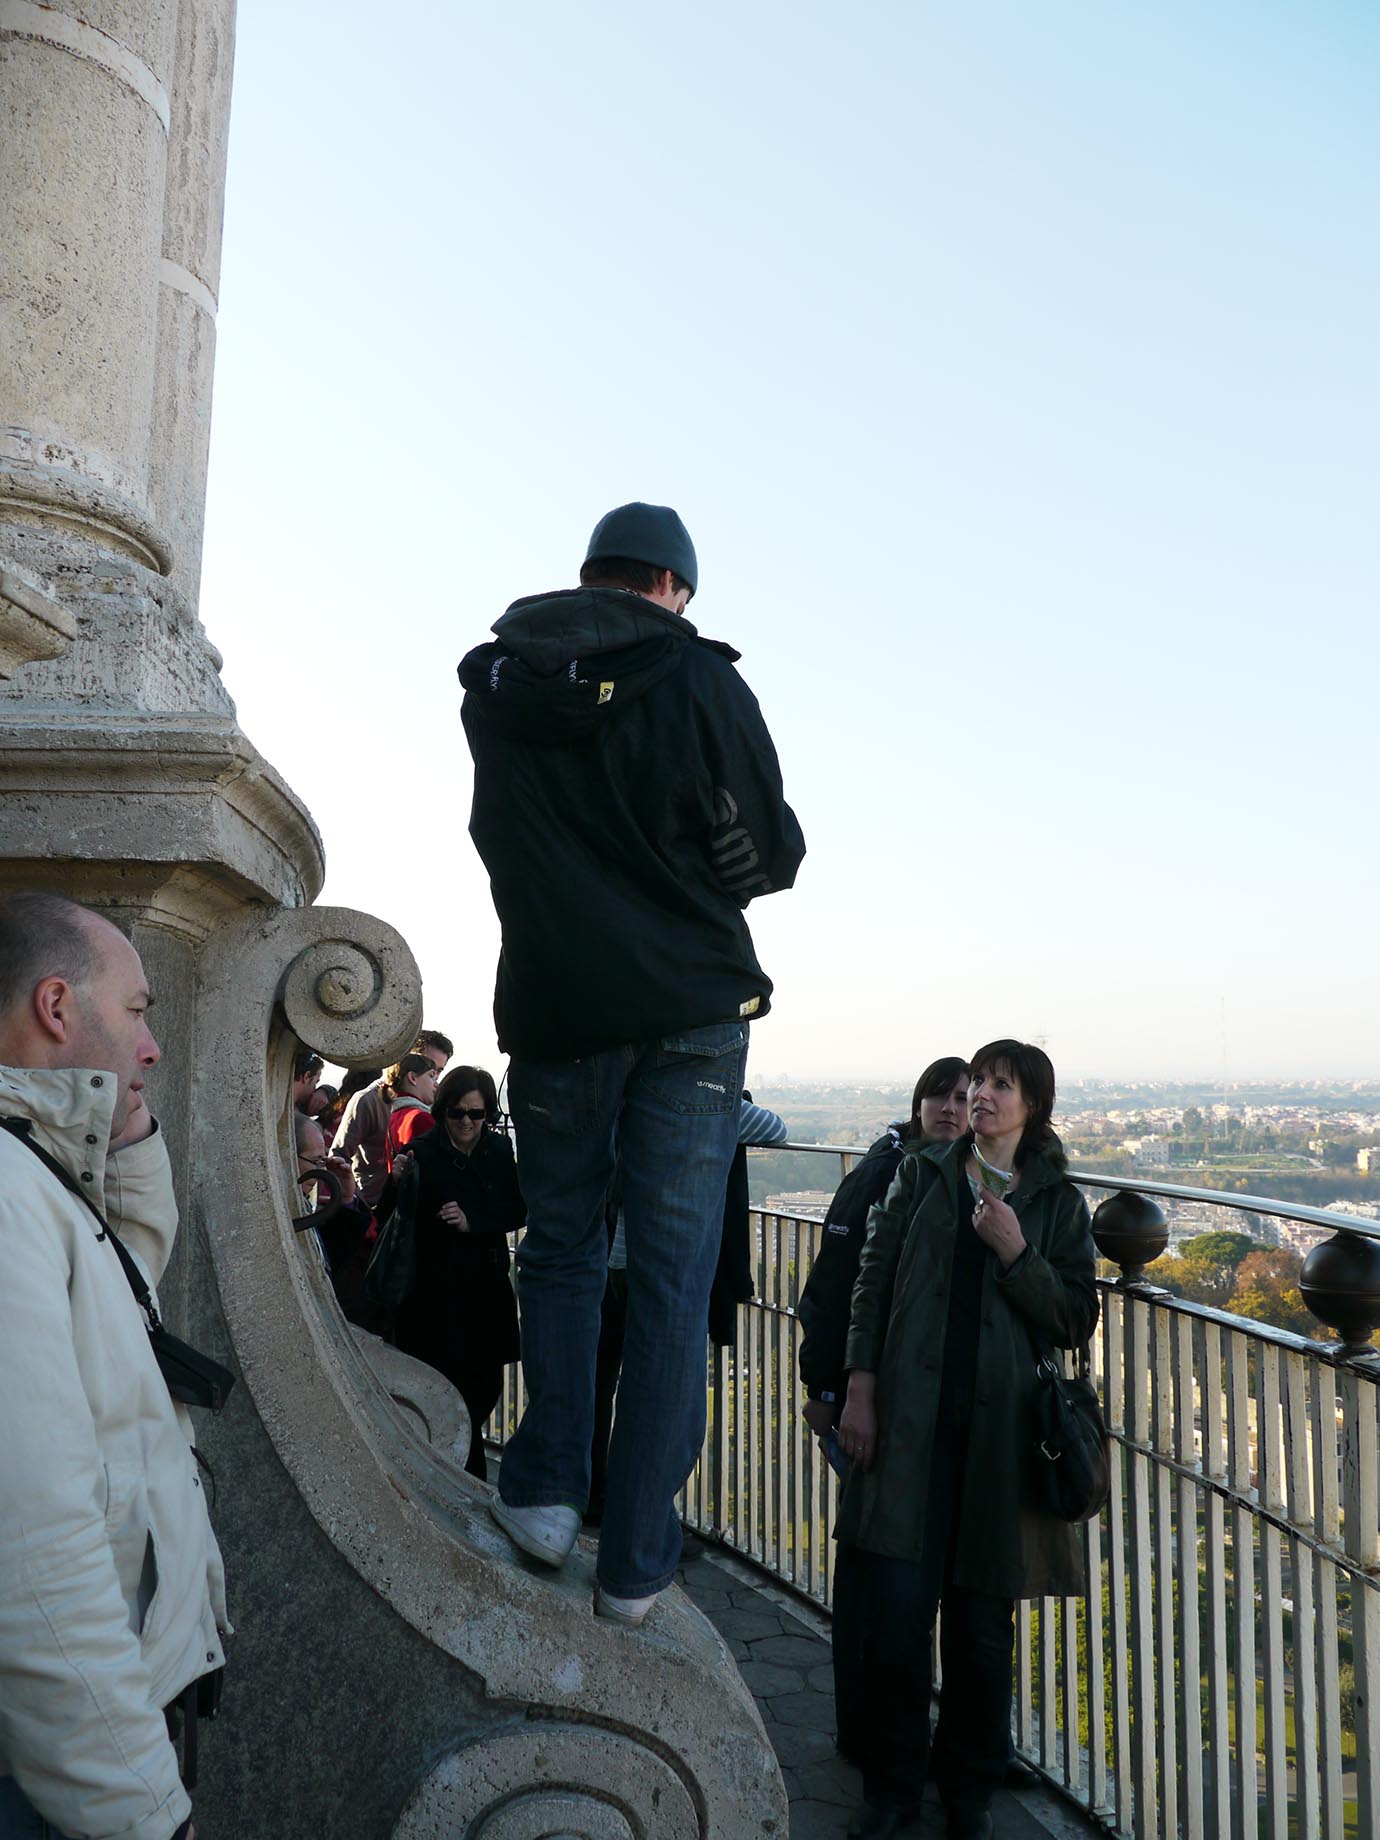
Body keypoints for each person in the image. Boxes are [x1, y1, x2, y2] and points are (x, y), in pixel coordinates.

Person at [459, 501, 804, 1625]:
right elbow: (771, 851)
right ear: (669, 584)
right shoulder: (699, 678)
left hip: (557, 1002)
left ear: (590, 574)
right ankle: (639, 1559)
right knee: (671, 1277)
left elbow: (504, 835)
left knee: (558, 1248)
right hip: (693, 1006)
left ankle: (547, 1494)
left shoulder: (499, 686)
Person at [0, 891, 229, 1840]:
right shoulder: (6, 1198)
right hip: (63, 1777)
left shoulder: (33, 1175)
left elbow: (124, 1290)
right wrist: (142, 1810)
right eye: (136, 1010)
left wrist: (119, 1133)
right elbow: (31, 1554)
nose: (153, 1045)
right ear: (58, 1009)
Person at [833, 1040, 1098, 1840]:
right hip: (913, 1429)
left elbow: (1074, 1318)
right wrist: (861, 1388)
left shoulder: (1056, 1201)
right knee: (898, 1622)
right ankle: (891, 1790)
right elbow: (872, 1279)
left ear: (1033, 1106)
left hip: (999, 1446)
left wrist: (1017, 1253)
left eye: (999, 1085)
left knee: (982, 1632)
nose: (980, 1095)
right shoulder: (925, 1172)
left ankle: (968, 1792)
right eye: (978, 1081)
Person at [795, 1057, 969, 1765]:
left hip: (901, 1401)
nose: (954, 1109)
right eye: (942, 1096)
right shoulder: (885, 1174)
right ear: (918, 1102)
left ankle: (874, 1727)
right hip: (873, 1401)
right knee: (874, 1570)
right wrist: (828, 1392)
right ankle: (868, 1730)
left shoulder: (942, 1172)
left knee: (885, 1570)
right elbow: (835, 1288)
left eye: (965, 1097)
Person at [588, 1093, 789, 1524]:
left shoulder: (626, 1098)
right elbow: (776, 1129)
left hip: (609, 1259)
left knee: (599, 1388)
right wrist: (725, 1097)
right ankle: (643, 1516)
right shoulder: (701, 1104)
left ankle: (594, 1498)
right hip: (668, 1269)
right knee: (663, 1400)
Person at [391, 1066, 523, 1481]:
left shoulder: (499, 1152)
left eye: (476, 1114)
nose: (467, 1122)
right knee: (445, 1391)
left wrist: (474, 1221)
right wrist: (400, 1184)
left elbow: (518, 1209)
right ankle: (466, 1477)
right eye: (457, 1113)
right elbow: (395, 1220)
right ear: (443, 1110)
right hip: (434, 1297)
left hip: (485, 1293)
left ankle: (464, 1471)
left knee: (484, 1390)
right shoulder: (422, 1153)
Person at [333, 1031, 452, 1207]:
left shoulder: (433, 1103)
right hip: (373, 1206)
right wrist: (357, 1204)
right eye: (430, 1068)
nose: (436, 1078)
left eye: (439, 1071)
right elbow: (338, 1157)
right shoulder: (367, 1100)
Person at [383, 1051, 440, 1169]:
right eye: (431, 1076)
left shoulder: (396, 1116)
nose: (436, 1084)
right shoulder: (420, 1118)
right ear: (412, 1077)